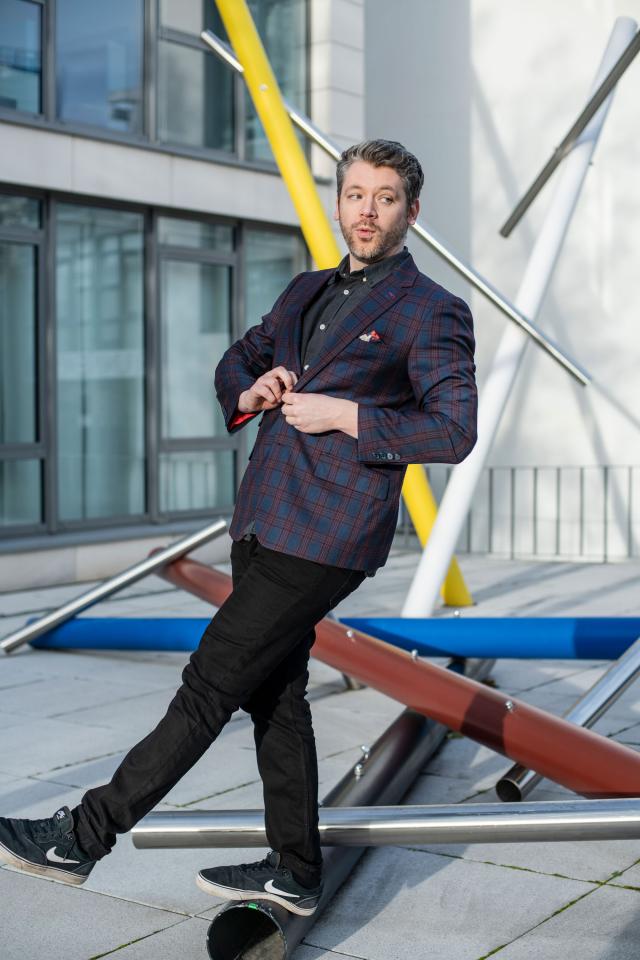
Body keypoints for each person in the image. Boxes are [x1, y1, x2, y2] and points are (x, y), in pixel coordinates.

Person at [0, 140, 477, 917]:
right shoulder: (304, 291)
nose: (367, 210)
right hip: (262, 519)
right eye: (355, 194)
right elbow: (236, 359)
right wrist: (251, 390)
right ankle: (296, 870)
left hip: (328, 535)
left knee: (210, 681)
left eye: (385, 198)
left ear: (411, 211)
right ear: (339, 202)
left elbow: (454, 429)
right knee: (275, 695)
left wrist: (347, 415)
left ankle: (80, 836)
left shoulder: (433, 310)